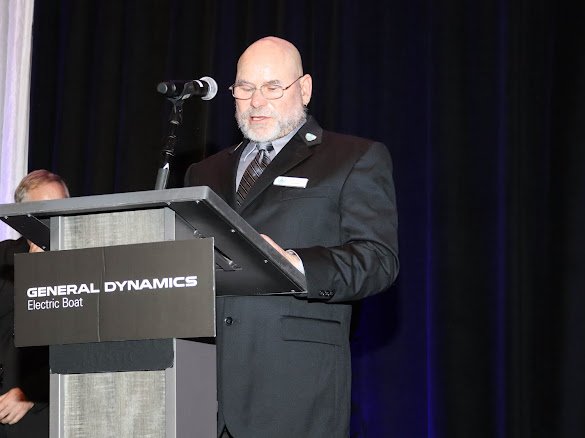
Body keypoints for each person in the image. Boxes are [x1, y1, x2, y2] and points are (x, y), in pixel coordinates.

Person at [184, 36, 399, 438]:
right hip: (202, 390)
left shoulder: (352, 158)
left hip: (294, 390)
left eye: (272, 87)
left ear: (304, 89)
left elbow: (378, 260)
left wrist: (294, 265)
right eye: (245, 88)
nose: (256, 101)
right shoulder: (203, 172)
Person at [0, 170, 70, 438]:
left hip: (41, 415)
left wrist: (30, 392)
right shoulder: (4, 257)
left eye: (61, 207)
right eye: (44, 210)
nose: (54, 217)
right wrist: (31, 267)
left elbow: (78, 347)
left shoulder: (83, 265)